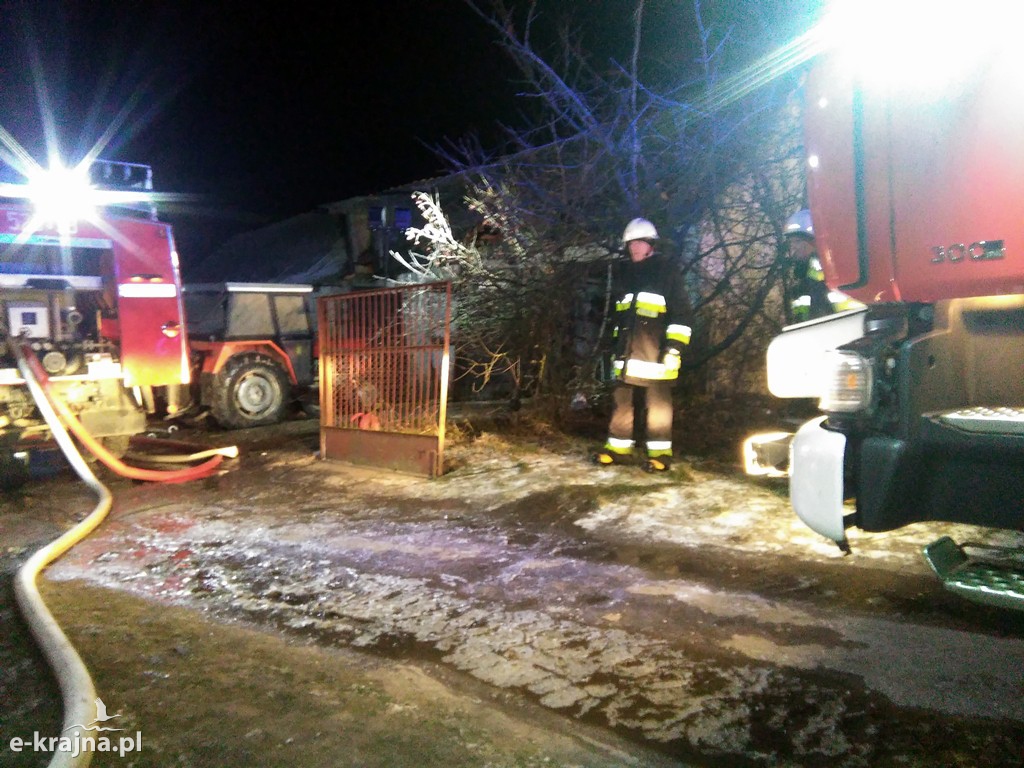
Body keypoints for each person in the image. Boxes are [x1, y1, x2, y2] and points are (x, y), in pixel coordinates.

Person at [593, 217, 691, 473]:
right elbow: (618, 315)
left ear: (650, 245)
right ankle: (618, 448)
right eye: (630, 243)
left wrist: (674, 349)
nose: (634, 248)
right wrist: (610, 347)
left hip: (657, 352)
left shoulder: (666, 272)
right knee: (621, 401)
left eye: (639, 243)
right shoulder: (626, 275)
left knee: (658, 403)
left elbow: (682, 315)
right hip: (625, 352)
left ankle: (660, 454)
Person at [783, 209, 863, 322]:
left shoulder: (830, 271)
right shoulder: (802, 279)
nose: (793, 248)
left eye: (798, 241)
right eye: (791, 243)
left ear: (815, 241)